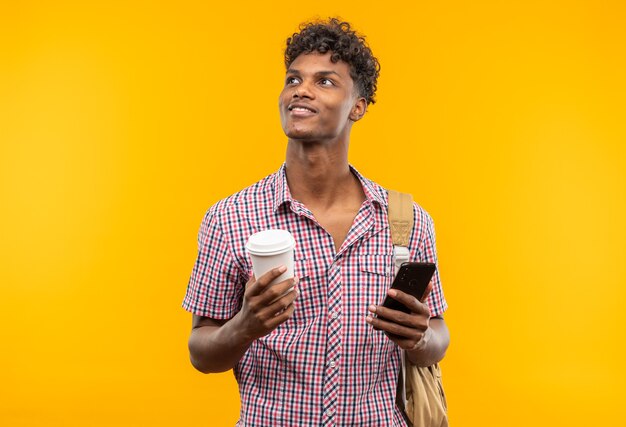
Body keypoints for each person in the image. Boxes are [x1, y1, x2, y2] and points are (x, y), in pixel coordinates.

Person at [182, 18, 450, 426]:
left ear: (357, 106)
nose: (301, 90)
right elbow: (201, 353)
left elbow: (438, 336)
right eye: (293, 79)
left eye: (325, 82)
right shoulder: (230, 217)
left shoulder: (406, 220)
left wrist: (420, 338)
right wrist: (245, 326)